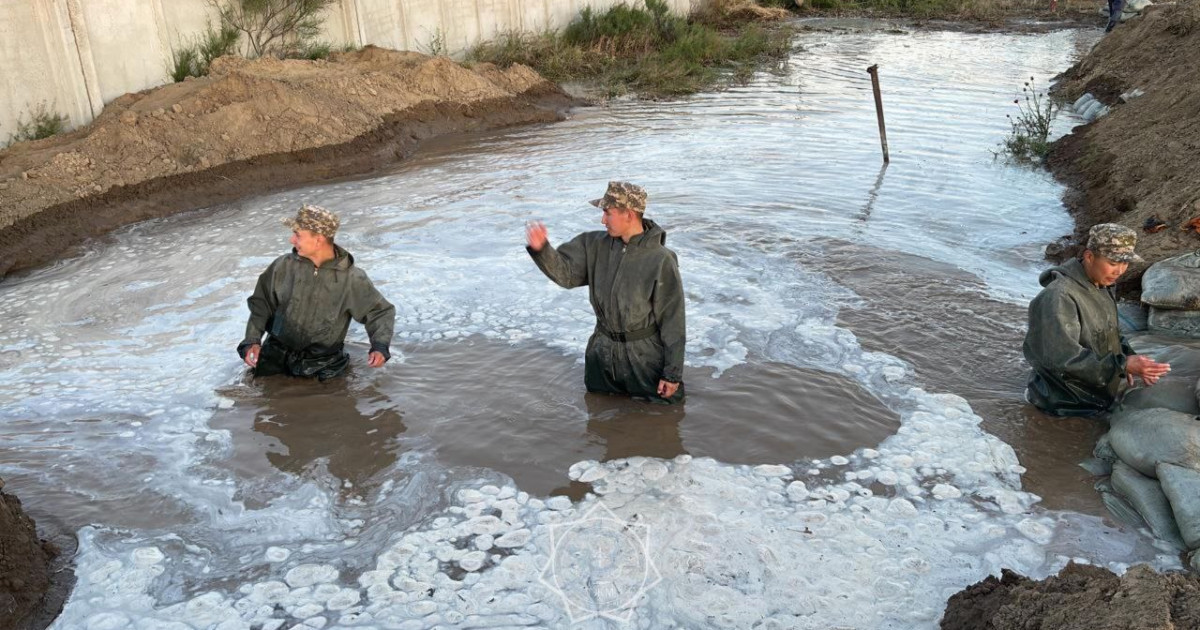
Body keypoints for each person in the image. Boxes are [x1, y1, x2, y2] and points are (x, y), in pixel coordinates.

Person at [525, 181, 686, 403]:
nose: (602, 220)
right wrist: (542, 250)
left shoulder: (661, 259)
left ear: (628, 214)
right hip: (601, 353)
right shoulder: (592, 244)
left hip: (644, 358)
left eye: (607, 213)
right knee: (598, 416)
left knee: (661, 419)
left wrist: (672, 374)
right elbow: (567, 275)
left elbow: (673, 320)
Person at [1023, 223, 1170, 416]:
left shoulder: (1102, 284)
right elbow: (1061, 359)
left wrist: (1132, 361)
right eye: (1113, 263)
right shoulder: (1059, 296)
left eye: (1125, 263)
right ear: (1089, 256)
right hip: (1065, 405)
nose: (1119, 271)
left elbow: (1111, 334)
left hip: (1097, 394)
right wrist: (1122, 365)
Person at [238, 204, 395, 380]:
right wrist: (251, 340)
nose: (292, 240)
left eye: (297, 235)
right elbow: (261, 303)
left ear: (318, 239)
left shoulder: (352, 279)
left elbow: (379, 311)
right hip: (274, 356)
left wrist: (379, 346)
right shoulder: (281, 266)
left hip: (324, 364)